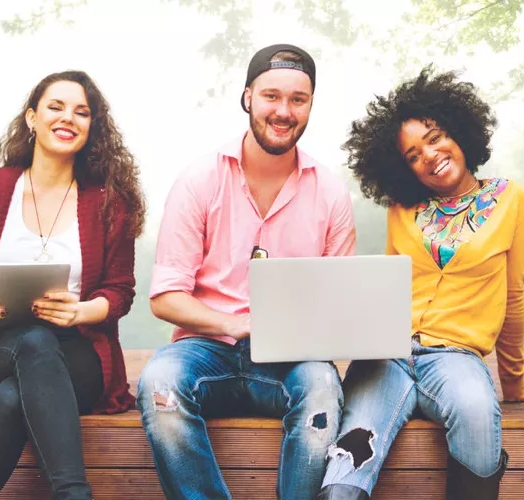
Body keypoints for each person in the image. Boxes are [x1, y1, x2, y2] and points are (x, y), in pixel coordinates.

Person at [139, 44, 354, 500]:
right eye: (271, 96)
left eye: (298, 99)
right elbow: (165, 298)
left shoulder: (332, 193)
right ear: (247, 98)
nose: (284, 111)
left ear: (311, 105)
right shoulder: (199, 180)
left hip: (292, 358)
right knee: (159, 383)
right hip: (205, 349)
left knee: (321, 388)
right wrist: (234, 323)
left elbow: (339, 306)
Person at [316, 68, 524, 500]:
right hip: (387, 358)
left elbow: (512, 294)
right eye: (413, 155)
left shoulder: (511, 199)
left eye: (435, 138)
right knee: (350, 456)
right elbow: (388, 287)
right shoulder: (401, 208)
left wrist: (512, 382)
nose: (430, 156)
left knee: (476, 410)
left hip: (456, 357)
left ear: (459, 132)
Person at [0, 70, 146, 500]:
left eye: (81, 112)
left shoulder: (108, 201)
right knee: (31, 342)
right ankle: (73, 492)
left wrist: (80, 311)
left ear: (92, 127)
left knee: (12, 399)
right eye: (55, 107)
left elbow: (119, 292)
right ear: (32, 118)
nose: (68, 117)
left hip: (79, 355)